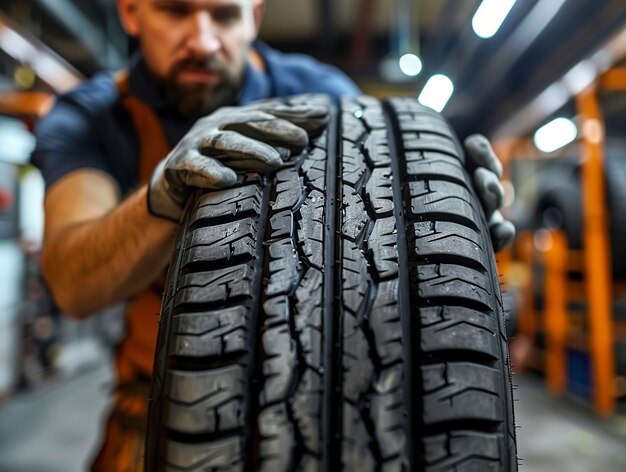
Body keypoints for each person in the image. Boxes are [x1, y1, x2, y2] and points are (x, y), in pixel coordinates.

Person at [30, 0, 514, 470]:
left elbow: (373, 246)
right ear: (131, 12)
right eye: (175, 11)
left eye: (224, 15)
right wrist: (160, 195)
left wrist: (441, 216)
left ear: (255, 16)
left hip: (322, 392)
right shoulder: (88, 117)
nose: (202, 41)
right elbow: (73, 284)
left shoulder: (323, 95)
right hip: (167, 404)